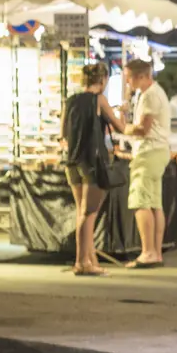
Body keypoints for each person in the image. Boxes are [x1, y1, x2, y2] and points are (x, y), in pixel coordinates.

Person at [63, 61, 121, 276]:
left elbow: (63, 132)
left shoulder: (70, 101)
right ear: (103, 80)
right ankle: (82, 262)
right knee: (89, 214)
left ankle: (90, 258)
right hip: (92, 162)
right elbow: (120, 127)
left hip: (72, 161)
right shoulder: (99, 99)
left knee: (82, 212)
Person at [121, 58, 171, 268]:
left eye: (129, 78)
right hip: (159, 150)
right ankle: (156, 251)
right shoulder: (155, 92)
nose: (127, 83)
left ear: (141, 76)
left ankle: (148, 251)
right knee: (154, 203)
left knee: (141, 201)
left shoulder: (150, 95)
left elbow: (143, 129)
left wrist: (122, 126)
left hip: (148, 151)